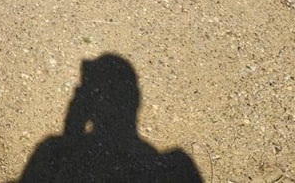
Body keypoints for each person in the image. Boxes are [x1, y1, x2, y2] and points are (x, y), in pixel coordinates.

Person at [15, 53, 203, 182]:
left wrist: (72, 133)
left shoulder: (51, 148)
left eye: (83, 90)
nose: (78, 92)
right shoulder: (172, 165)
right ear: (135, 100)